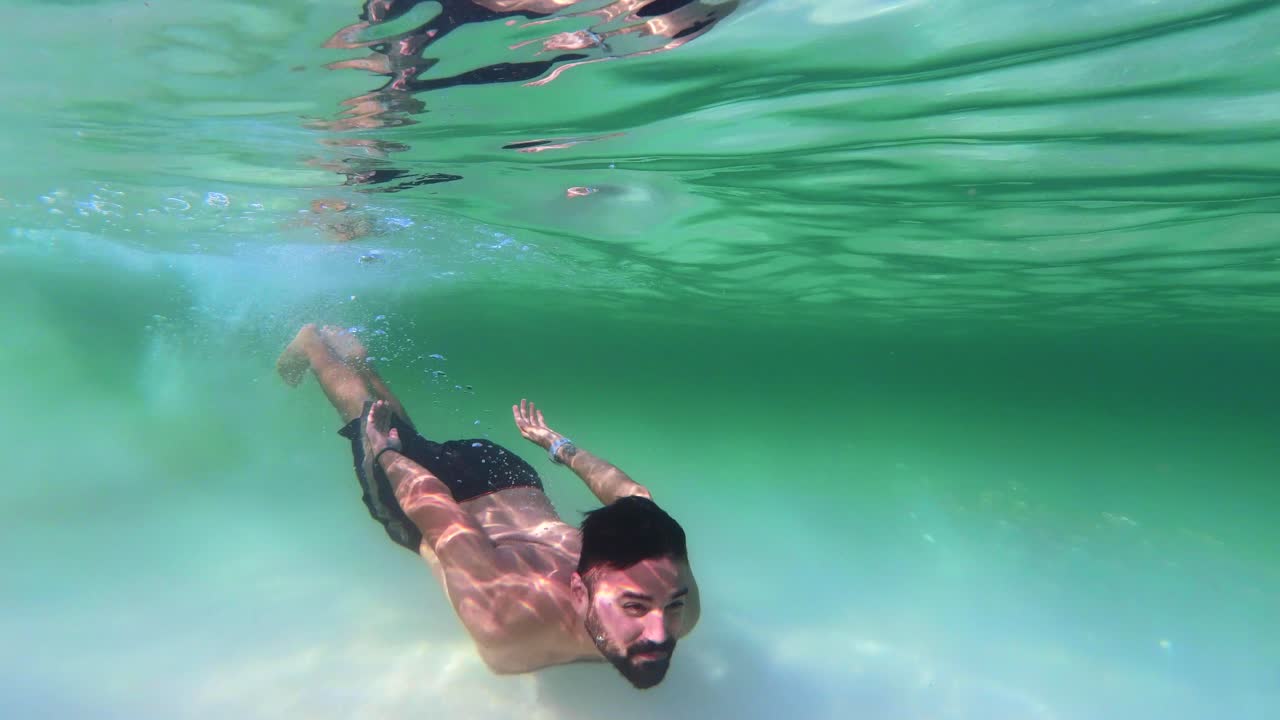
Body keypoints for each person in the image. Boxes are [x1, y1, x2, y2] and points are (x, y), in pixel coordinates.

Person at [276, 324, 700, 688]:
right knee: (367, 419)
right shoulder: (507, 615)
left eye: (672, 604)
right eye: (634, 607)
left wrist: (558, 445)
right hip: (463, 495)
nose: (662, 632)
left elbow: (636, 499)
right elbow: (437, 512)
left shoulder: (680, 605)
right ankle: (313, 343)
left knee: (404, 438)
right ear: (577, 591)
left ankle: (362, 362)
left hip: (510, 478)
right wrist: (384, 453)